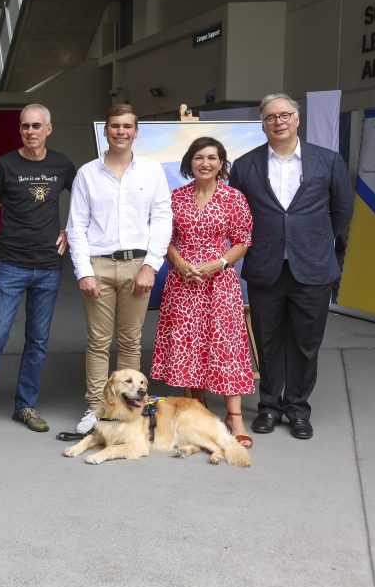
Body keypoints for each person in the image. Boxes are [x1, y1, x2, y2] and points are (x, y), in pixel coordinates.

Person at [228, 93, 353, 440]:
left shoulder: (327, 161)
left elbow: (343, 210)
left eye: (285, 115)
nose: (278, 121)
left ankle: (297, 408)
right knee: (267, 342)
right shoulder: (245, 165)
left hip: (312, 268)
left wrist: (312, 239)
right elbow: (238, 216)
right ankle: (268, 406)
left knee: (305, 342)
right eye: (270, 117)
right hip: (266, 267)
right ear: (263, 124)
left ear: (298, 120)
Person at [0, 104, 76, 436]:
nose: (31, 131)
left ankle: (25, 406)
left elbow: (85, 202)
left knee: (37, 341)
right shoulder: (4, 165)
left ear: (49, 129)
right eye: (25, 126)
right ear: (20, 129)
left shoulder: (63, 164)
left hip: (49, 267)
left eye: (37, 126)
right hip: (11, 264)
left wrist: (70, 231)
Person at [67, 104, 172, 434]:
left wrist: (151, 266)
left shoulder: (151, 172)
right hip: (98, 265)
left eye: (127, 126)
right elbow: (76, 226)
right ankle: (96, 408)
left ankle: (128, 411)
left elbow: (162, 220)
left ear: (136, 131)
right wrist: (83, 271)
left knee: (130, 342)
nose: (121, 132)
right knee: (98, 341)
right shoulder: (87, 173)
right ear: (106, 130)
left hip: (137, 266)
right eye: (115, 126)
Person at [149, 137, 255, 447]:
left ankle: (234, 416)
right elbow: (163, 238)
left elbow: (243, 240)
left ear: (222, 163)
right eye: (199, 157)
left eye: (212, 157)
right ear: (189, 162)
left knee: (226, 348)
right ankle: (199, 408)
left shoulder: (234, 198)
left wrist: (219, 264)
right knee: (189, 345)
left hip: (219, 284)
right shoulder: (175, 197)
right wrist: (179, 262)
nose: (205, 163)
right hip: (183, 284)